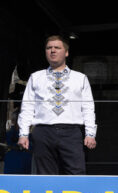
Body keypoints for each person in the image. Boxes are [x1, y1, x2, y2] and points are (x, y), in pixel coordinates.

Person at [17, 35, 97, 175]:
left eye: (57, 48)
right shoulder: (36, 77)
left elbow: (88, 108)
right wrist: (23, 133)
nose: (52, 50)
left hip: (71, 132)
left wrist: (90, 133)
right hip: (43, 131)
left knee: (76, 173)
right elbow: (27, 107)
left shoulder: (80, 78)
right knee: (45, 175)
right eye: (49, 48)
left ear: (66, 52)